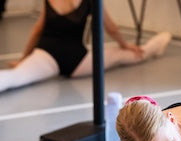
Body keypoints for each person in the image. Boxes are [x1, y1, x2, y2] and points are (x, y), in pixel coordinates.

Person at [0, 0, 171, 93]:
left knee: (16, 76)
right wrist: (125, 45)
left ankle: (154, 46)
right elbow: (110, 27)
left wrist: (23, 59)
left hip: (46, 54)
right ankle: (153, 47)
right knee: (122, 55)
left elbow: (38, 30)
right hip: (76, 60)